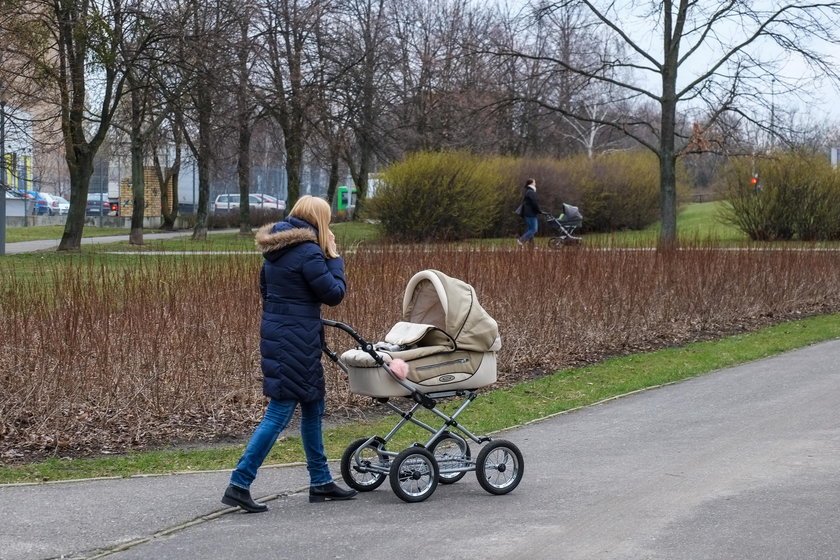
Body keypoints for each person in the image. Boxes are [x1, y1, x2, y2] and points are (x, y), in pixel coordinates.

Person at [222, 195, 357, 513]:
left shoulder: (275, 250)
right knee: (279, 412)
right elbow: (334, 294)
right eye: (328, 220)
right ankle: (239, 483)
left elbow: (267, 293)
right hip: (295, 340)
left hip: (284, 335)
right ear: (319, 220)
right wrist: (334, 258)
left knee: (313, 406)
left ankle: (320, 481)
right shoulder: (310, 251)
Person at [517, 178, 542, 247]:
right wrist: (538, 210)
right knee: (534, 229)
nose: (535, 183)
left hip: (527, 213)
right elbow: (534, 202)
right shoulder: (531, 192)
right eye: (534, 182)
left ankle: (532, 245)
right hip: (530, 213)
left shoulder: (528, 191)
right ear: (531, 183)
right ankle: (521, 240)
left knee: (530, 229)